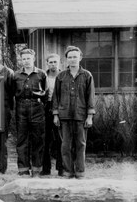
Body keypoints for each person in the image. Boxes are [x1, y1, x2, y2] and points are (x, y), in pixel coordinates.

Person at [52, 46, 95, 179]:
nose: (72, 59)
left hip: (81, 116)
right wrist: (55, 114)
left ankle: (80, 172)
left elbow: (90, 97)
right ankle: (67, 171)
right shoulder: (61, 76)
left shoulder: (87, 75)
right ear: (66, 59)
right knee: (65, 145)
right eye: (69, 57)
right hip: (64, 116)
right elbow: (56, 97)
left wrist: (89, 117)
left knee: (80, 144)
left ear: (80, 58)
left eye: (75, 57)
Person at [13, 48, 47, 177]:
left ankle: (37, 169)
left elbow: (46, 92)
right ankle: (23, 169)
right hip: (21, 107)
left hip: (37, 107)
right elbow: (12, 91)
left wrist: (41, 106)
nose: (26, 61)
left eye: (28, 58)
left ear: (33, 59)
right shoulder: (16, 75)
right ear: (21, 60)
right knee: (22, 139)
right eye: (23, 59)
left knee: (37, 139)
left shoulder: (41, 74)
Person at [41, 53, 64, 176]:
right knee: (45, 139)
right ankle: (46, 169)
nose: (53, 64)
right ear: (47, 63)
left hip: (60, 109)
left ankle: (61, 168)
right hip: (46, 108)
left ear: (59, 63)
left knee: (60, 139)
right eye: (50, 62)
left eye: (55, 62)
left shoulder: (63, 76)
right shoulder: (43, 76)